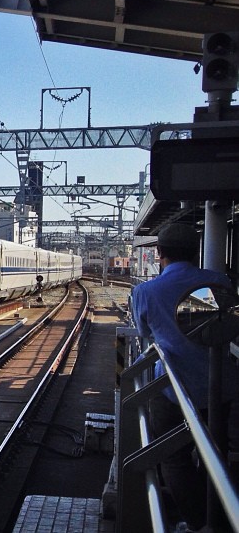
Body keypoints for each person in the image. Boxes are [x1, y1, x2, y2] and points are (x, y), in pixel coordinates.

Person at [131, 223, 239, 532]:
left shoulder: (146, 292)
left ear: (159, 253)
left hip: (172, 387)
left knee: (173, 458)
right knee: (215, 456)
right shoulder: (219, 282)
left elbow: (144, 333)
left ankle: (196, 522)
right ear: (195, 251)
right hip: (219, 388)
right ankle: (216, 518)